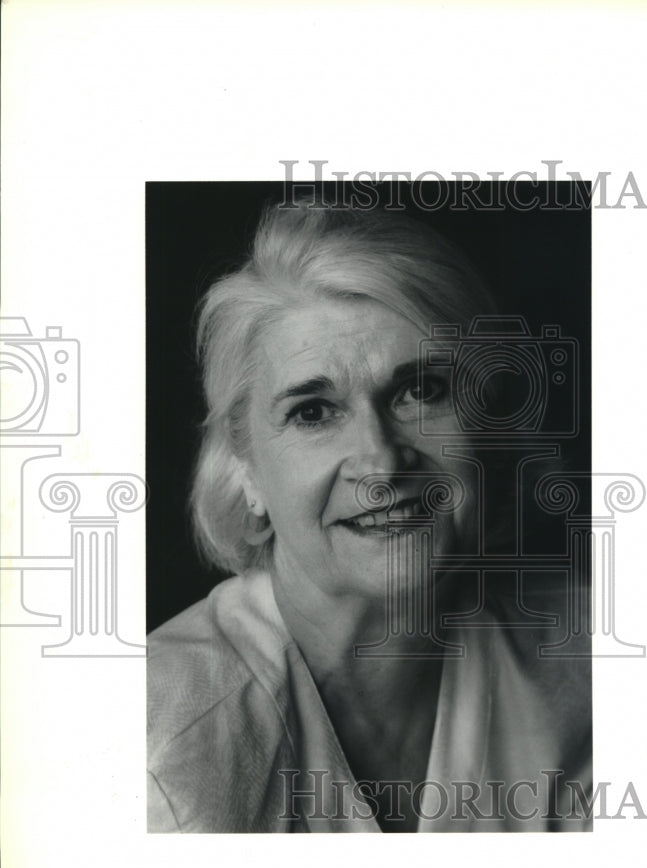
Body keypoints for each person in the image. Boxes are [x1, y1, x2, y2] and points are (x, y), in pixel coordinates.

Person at [147, 201, 591, 833]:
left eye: (422, 391)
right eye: (313, 412)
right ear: (245, 473)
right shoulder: (155, 736)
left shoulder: (589, 652)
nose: (381, 463)